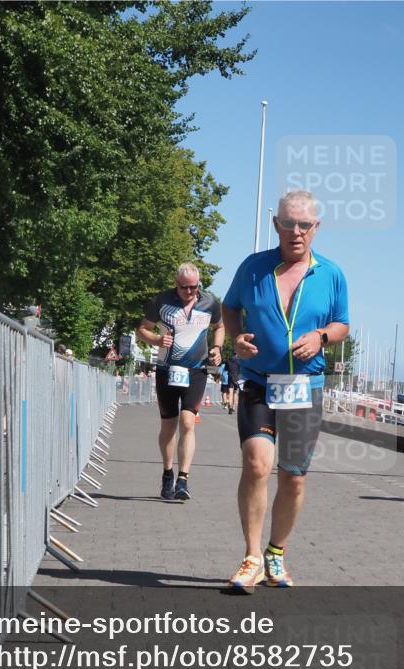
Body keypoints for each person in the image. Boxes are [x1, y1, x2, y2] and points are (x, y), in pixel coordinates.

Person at [222, 190, 349, 592]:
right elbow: (230, 308)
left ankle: (276, 552)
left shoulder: (331, 274)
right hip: (260, 382)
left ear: (317, 228)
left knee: (293, 477)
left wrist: (322, 336)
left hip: (303, 388)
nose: (297, 232)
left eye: (305, 225)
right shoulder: (254, 268)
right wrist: (235, 340)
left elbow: (343, 322)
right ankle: (251, 557)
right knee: (257, 462)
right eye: (289, 223)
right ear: (276, 224)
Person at [137, 262, 224, 501]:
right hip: (167, 369)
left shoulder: (209, 303)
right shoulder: (161, 301)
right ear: (176, 284)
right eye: (184, 287)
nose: (189, 292)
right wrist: (156, 340)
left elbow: (220, 327)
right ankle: (167, 473)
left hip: (196, 370)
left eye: (193, 287)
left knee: (188, 422)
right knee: (168, 426)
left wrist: (217, 347)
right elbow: (142, 329)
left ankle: (183, 479)